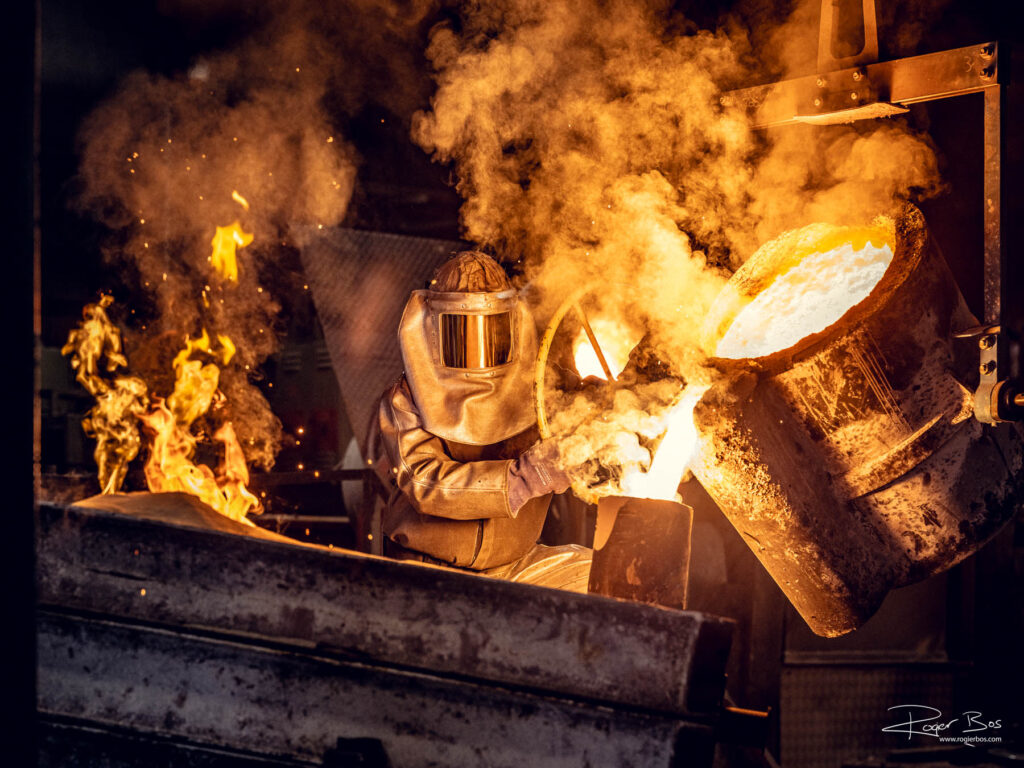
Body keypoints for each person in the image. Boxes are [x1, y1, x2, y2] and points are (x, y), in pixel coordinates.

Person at [366, 251, 591, 591]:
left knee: (599, 576)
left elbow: (583, 425)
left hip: (516, 565)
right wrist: (525, 479)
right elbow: (425, 484)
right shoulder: (405, 399)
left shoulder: (541, 390)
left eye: (491, 330)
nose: (477, 349)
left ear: (512, 324)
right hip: (429, 572)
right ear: (431, 328)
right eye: (460, 331)